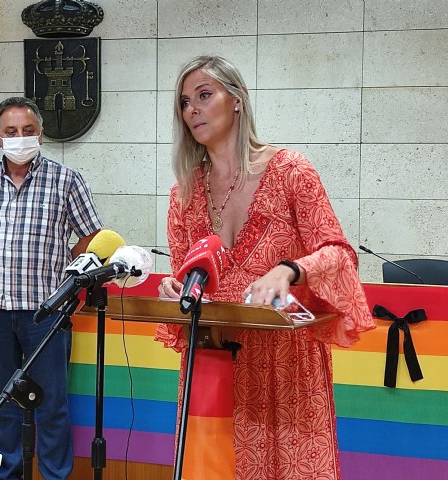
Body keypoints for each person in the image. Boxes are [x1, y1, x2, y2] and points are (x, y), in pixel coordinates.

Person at [156, 56, 375, 479]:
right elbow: (187, 275)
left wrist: (289, 269)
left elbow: (339, 254)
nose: (192, 110)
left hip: (286, 362)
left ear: (236, 99)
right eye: (184, 102)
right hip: (214, 361)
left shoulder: (291, 171)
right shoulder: (183, 194)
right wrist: (174, 288)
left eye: (204, 95)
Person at [0, 96, 103, 479]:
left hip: (45, 315)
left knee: (51, 405)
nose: (20, 138)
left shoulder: (66, 180)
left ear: (41, 134)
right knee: (3, 404)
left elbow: (91, 234)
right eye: (11, 131)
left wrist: (66, 271)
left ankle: (54, 475)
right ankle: (8, 474)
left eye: (28, 130)